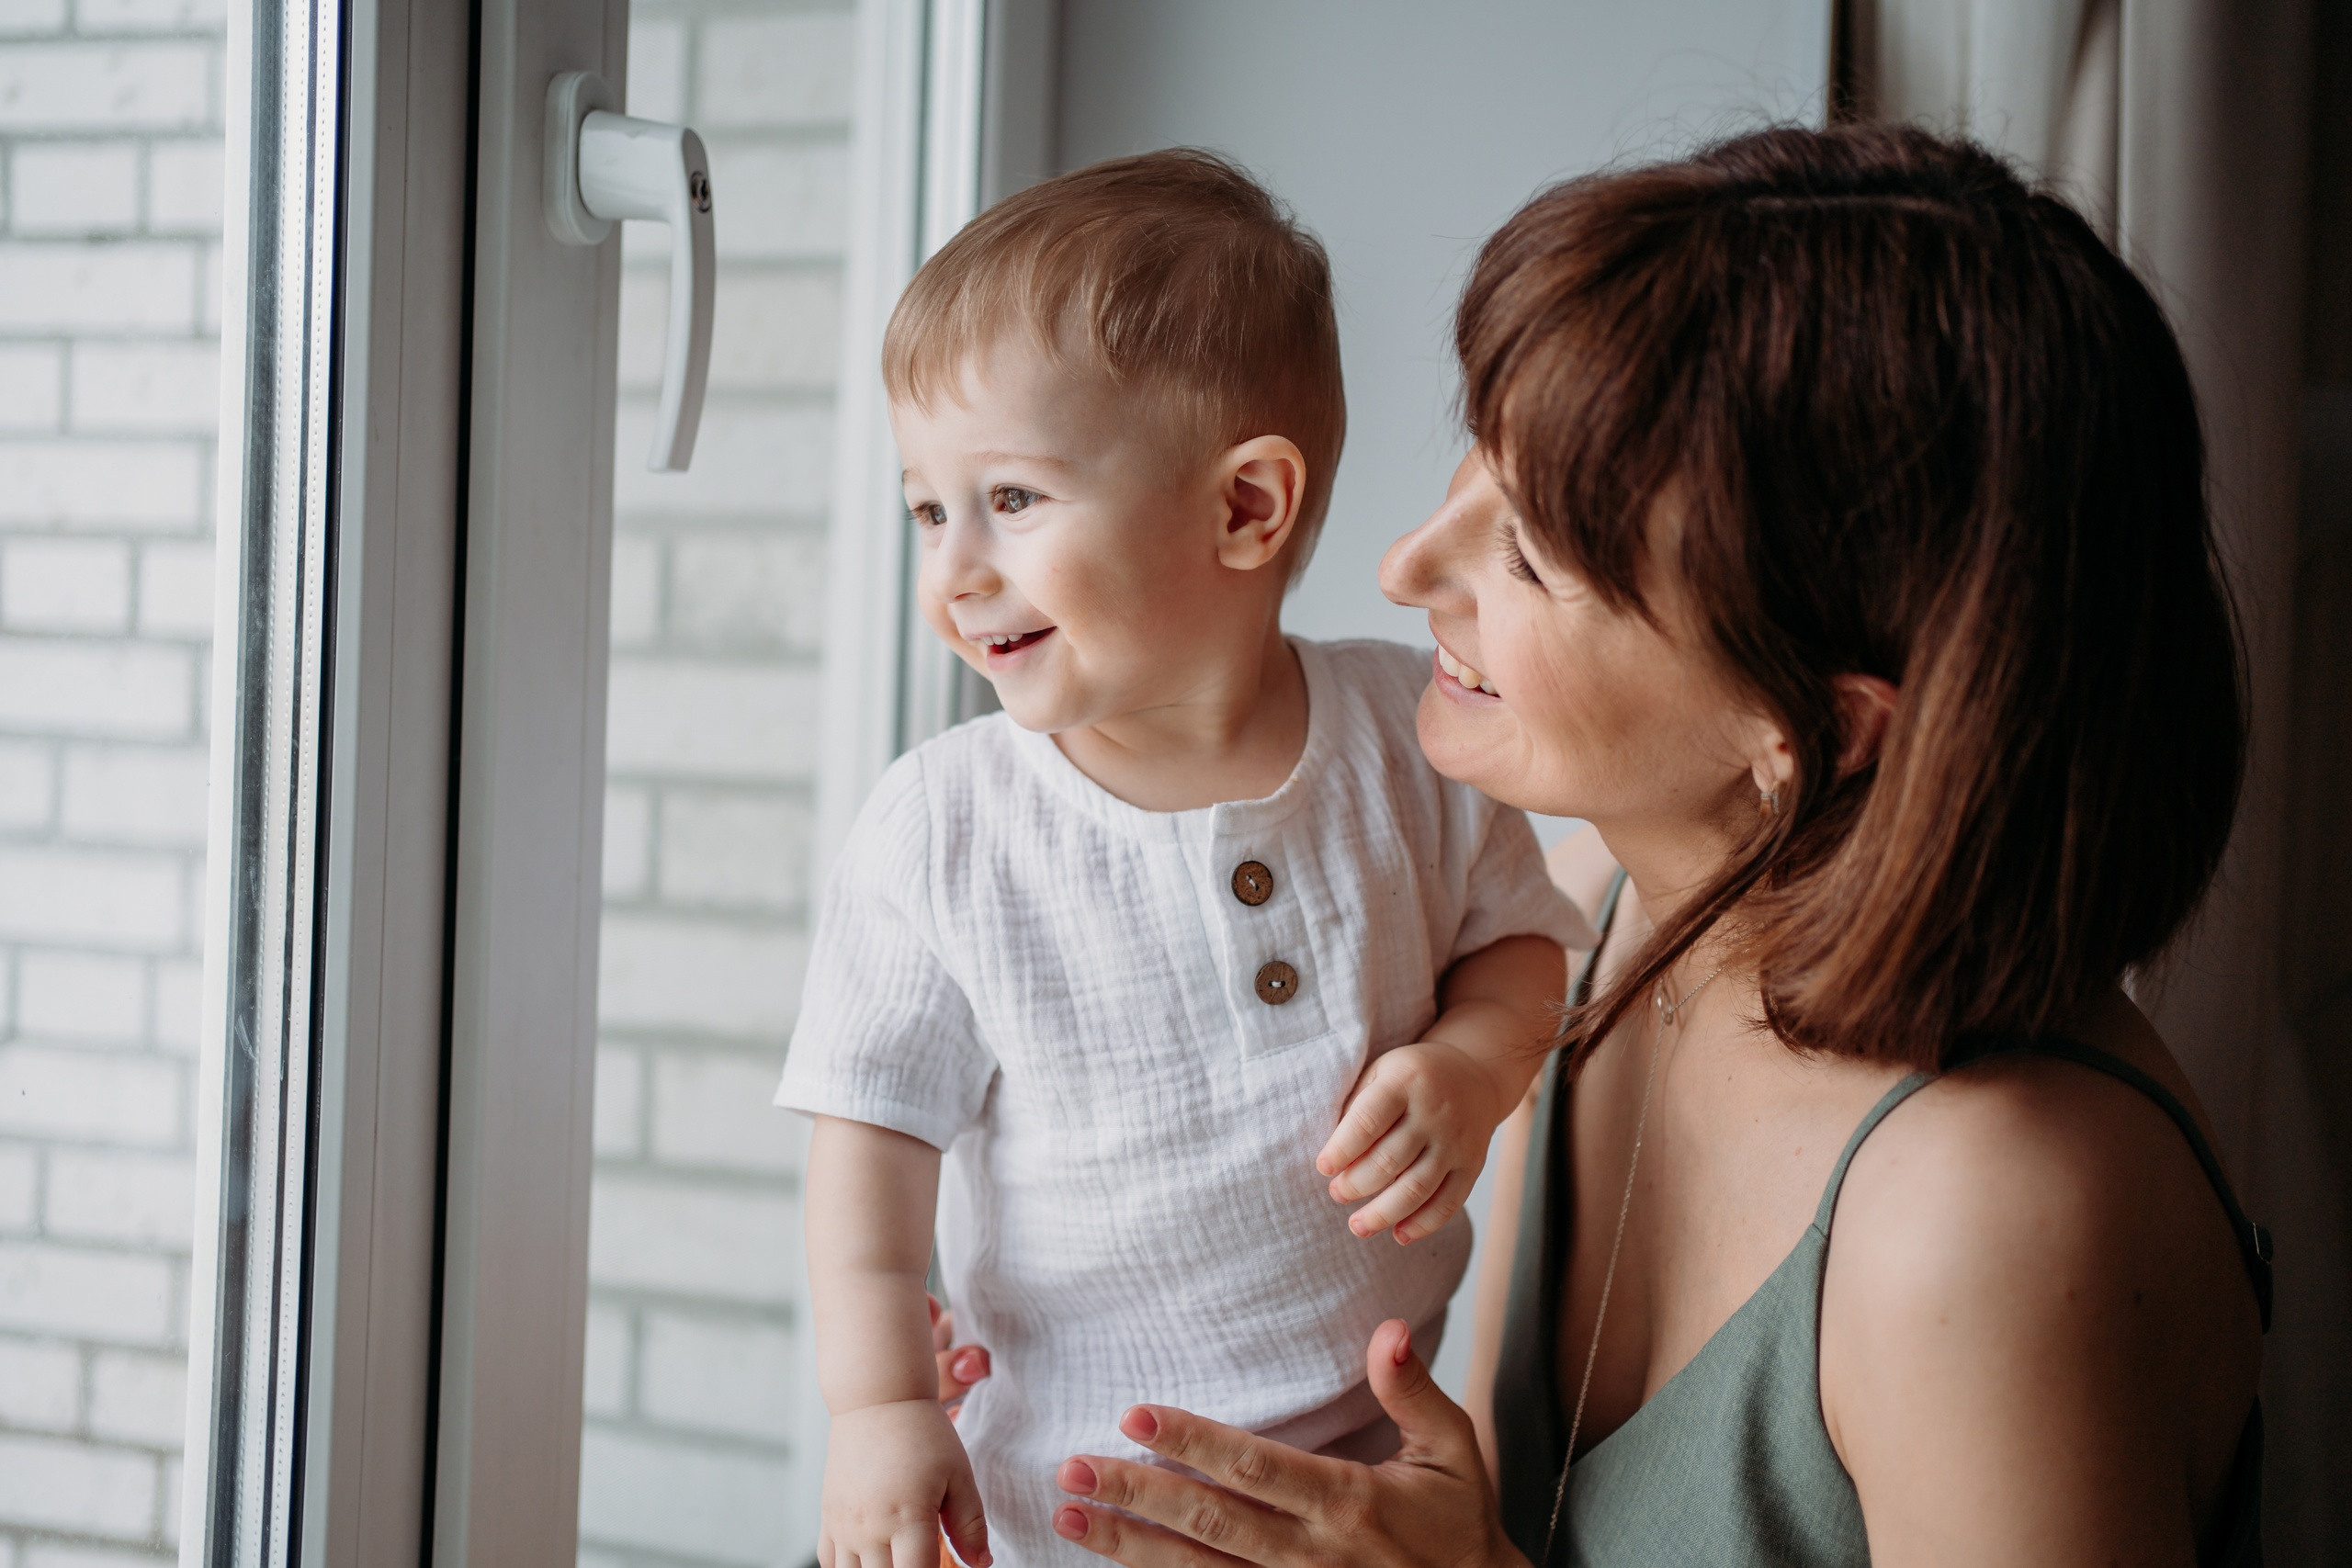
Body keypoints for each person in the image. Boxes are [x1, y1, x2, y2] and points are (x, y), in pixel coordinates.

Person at [1024, 124, 2271, 1567]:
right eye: (1475, 456)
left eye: (1534, 554)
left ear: (1806, 726)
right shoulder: (1598, 916)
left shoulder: (1991, 1215)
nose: (1407, 567)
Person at [775, 150, 1590, 1568]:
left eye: (1013, 501)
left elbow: (1523, 949)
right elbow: (869, 1140)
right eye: (929, 508)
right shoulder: (944, 827)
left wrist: (1470, 1063)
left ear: (1243, 510)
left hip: (1365, 1471)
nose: (955, 569)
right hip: (1069, 1502)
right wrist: (879, 1404)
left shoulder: (1407, 739)